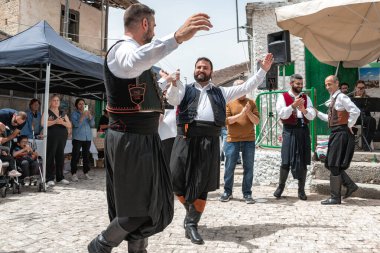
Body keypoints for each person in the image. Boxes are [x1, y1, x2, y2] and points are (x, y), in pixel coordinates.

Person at [87, 4, 213, 253]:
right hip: (129, 139)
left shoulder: (137, 53)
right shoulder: (123, 50)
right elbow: (136, 60)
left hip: (143, 138)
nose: (154, 31)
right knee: (136, 208)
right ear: (144, 24)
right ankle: (100, 246)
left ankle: (138, 250)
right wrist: (176, 37)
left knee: (149, 203)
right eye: (153, 26)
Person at [167, 54, 273, 245]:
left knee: (201, 183)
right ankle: (191, 210)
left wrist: (263, 70)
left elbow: (247, 86)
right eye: (198, 67)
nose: (201, 70)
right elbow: (172, 100)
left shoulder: (221, 92)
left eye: (205, 67)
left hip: (208, 141)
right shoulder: (183, 88)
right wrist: (173, 84)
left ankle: (191, 224)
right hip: (185, 138)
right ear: (194, 69)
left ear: (211, 72)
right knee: (175, 179)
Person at [315, 75, 360, 205]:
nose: (327, 87)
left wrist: (349, 125)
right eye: (326, 85)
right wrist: (317, 113)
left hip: (341, 133)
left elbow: (355, 111)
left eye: (330, 84)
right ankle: (350, 185)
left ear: (337, 83)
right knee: (330, 164)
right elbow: (331, 119)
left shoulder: (342, 97)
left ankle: (335, 197)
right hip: (335, 132)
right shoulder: (333, 99)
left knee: (333, 164)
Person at [273, 74, 316, 200]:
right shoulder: (283, 97)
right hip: (289, 131)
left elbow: (312, 116)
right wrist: (292, 106)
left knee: (302, 160)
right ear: (291, 84)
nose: (300, 86)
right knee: (285, 159)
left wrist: (303, 110)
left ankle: (301, 190)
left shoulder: (306, 98)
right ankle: (280, 187)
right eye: (298, 84)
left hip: (302, 130)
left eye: (301, 84)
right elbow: (281, 114)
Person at [219, 79, 260, 204]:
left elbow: (257, 121)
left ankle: (247, 193)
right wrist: (242, 113)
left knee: (249, 167)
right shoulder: (229, 102)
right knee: (229, 167)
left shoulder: (251, 103)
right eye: (240, 87)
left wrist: (248, 113)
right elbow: (227, 121)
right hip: (232, 139)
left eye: (244, 87)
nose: (243, 90)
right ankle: (227, 192)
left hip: (249, 139)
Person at [41, 94, 71, 187]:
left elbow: (69, 125)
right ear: (51, 102)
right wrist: (54, 121)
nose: (56, 102)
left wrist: (62, 122)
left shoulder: (63, 112)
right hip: (51, 137)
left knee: (60, 156)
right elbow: (43, 123)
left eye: (58, 100)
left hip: (62, 137)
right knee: (50, 156)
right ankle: (49, 178)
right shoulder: (47, 112)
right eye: (54, 100)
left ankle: (60, 177)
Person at [158, 69, 179, 167]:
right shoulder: (157, 100)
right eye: (165, 90)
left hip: (176, 136)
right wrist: (165, 78)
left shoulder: (176, 99)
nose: (166, 91)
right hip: (162, 137)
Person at [70, 98, 95, 182]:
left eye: (83, 104)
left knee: (86, 156)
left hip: (87, 137)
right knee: (75, 156)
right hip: (77, 137)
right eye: (80, 104)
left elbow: (92, 124)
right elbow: (76, 124)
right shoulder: (74, 114)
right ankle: (73, 173)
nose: (81, 105)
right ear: (76, 105)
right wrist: (82, 116)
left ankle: (86, 172)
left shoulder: (88, 113)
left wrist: (90, 116)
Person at [349, 80, 376, 151]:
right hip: (353, 118)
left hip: (363, 117)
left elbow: (370, 110)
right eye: (359, 87)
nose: (361, 89)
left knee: (372, 120)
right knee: (348, 122)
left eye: (362, 88)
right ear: (355, 88)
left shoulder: (367, 98)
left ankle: (366, 145)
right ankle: (350, 145)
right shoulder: (350, 97)